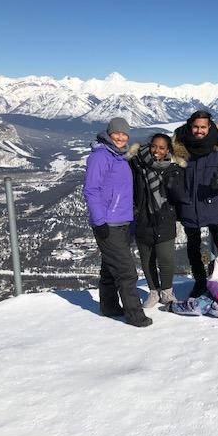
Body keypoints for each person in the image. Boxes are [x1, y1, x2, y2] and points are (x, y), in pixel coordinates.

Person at [83, 117, 152, 327]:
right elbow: (91, 190)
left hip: (122, 221)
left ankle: (109, 306)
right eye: (117, 133)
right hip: (109, 223)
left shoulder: (119, 156)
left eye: (124, 134)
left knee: (110, 267)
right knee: (126, 271)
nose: (121, 137)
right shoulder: (101, 156)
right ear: (109, 134)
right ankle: (134, 314)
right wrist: (99, 220)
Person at [173, 110, 218, 298]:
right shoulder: (179, 147)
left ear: (209, 126)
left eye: (203, 127)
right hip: (189, 205)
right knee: (193, 248)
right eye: (195, 127)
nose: (199, 131)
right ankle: (200, 282)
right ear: (189, 126)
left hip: (214, 204)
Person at [129, 133, 186, 308]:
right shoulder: (136, 164)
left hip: (165, 217)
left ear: (168, 149)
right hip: (143, 218)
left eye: (162, 148)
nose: (157, 151)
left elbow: (180, 195)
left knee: (166, 258)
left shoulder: (174, 168)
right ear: (149, 145)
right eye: (154, 146)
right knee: (147, 259)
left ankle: (167, 292)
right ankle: (153, 291)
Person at [169, 228, 218, 319]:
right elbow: (213, 280)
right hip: (217, 293)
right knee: (198, 305)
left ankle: (213, 307)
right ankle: (176, 306)